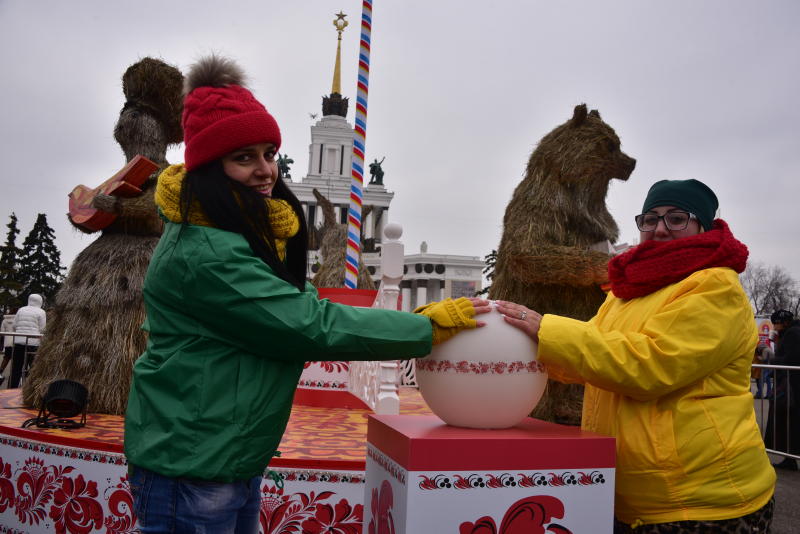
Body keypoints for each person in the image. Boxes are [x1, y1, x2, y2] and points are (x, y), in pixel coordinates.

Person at [123, 55, 488, 534]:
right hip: (193, 466)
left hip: (219, 455)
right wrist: (427, 326)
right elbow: (309, 323)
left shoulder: (231, 231)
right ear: (210, 168)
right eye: (243, 157)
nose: (265, 170)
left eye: (269, 154)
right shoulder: (207, 253)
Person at [496, 179, 775, 533]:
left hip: (698, 499)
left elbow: (650, 365)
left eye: (677, 218)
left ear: (702, 225)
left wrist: (546, 331)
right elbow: (594, 355)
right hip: (630, 491)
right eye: (650, 218)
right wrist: (510, 347)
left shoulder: (713, 286)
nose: (659, 228)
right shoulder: (627, 290)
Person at [764, 309, 799, 470]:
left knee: (789, 422)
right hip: (790, 385)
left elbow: (790, 360)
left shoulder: (792, 333)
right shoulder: (789, 333)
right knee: (788, 423)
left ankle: (791, 458)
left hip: (792, 386)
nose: (774, 326)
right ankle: (790, 458)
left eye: (776, 323)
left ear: (784, 322)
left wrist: (770, 358)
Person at [10, 294, 46, 388]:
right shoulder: (41, 312)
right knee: (33, 369)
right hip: (33, 343)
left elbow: (14, 325)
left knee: (16, 368)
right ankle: (31, 390)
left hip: (19, 342)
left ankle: (12, 388)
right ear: (40, 301)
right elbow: (42, 329)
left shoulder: (21, 310)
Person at [0, 312, 15, 385]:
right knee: (17, 360)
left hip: (8, 342)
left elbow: (2, 332)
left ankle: (0, 372)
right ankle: (13, 375)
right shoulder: (18, 319)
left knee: (6, 358)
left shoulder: (4, 320)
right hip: (16, 341)